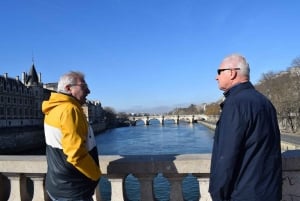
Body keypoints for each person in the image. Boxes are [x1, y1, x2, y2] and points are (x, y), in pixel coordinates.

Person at [209, 54, 282, 201]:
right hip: (270, 192)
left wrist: (217, 194)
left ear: (232, 72)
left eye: (219, 72)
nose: (216, 77)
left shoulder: (235, 104)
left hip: (244, 193)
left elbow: (226, 157)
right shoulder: (265, 102)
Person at [42, 71, 101, 201]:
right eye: (84, 86)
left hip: (57, 184)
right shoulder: (70, 110)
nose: (88, 91)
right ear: (69, 88)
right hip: (74, 188)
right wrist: (96, 174)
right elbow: (75, 154)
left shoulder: (53, 109)